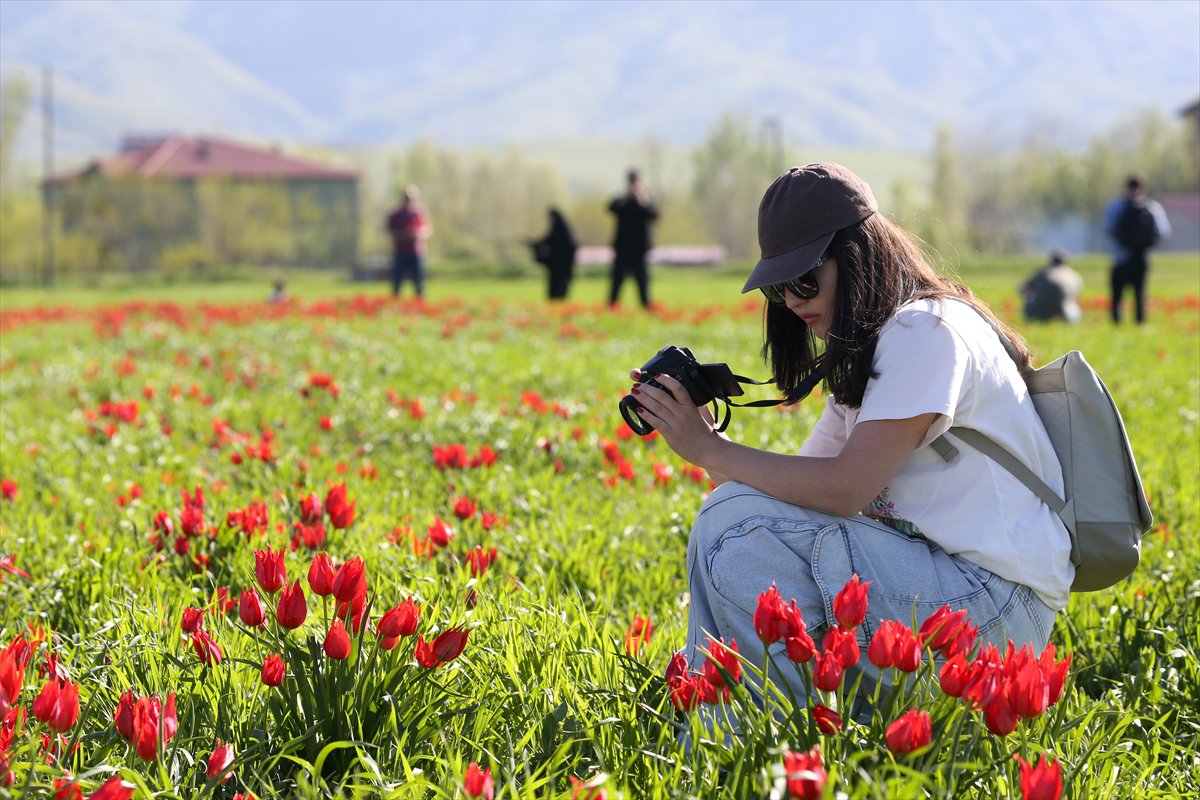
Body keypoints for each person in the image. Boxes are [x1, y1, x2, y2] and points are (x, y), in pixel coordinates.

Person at [627, 163, 1073, 702]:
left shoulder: (925, 330)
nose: (792, 302)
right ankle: (727, 716)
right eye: (778, 290)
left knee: (734, 524)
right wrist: (694, 434)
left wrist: (711, 448)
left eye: (804, 278)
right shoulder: (878, 348)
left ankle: (751, 734)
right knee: (731, 516)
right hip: (940, 588)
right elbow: (784, 499)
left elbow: (844, 489)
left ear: (857, 254)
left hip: (993, 607)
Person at [1102, 174, 1170, 324]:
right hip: (1142, 256)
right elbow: (1163, 232)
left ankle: (1116, 322)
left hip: (1121, 256)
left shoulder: (1116, 206)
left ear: (1126, 188)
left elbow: (1108, 229)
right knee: (1140, 292)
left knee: (1117, 293)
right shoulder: (1152, 207)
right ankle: (1140, 322)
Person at [607, 169, 658, 308]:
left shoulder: (645, 200)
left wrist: (642, 200)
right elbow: (611, 208)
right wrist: (627, 197)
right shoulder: (623, 200)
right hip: (623, 248)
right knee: (616, 282)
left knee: (643, 283)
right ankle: (612, 307)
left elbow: (654, 215)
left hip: (639, 249)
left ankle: (646, 306)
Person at [386, 185, 432, 299]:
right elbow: (391, 232)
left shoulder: (419, 212)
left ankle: (419, 301)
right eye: (407, 197)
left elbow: (427, 229)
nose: (409, 200)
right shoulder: (395, 215)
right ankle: (395, 301)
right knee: (398, 279)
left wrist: (419, 233)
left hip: (417, 251)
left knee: (418, 279)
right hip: (401, 251)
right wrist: (405, 234)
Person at [1019, 249, 1083, 323]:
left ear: (1051, 260)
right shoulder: (1074, 275)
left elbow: (1022, 288)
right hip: (1066, 314)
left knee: (1029, 299)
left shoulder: (1043, 273)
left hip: (1041, 313)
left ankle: (1030, 320)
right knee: (1073, 304)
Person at [529, 207, 578, 301]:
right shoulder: (560, 232)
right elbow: (543, 242)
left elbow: (544, 243)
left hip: (561, 267)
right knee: (555, 292)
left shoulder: (560, 233)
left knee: (559, 290)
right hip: (558, 268)